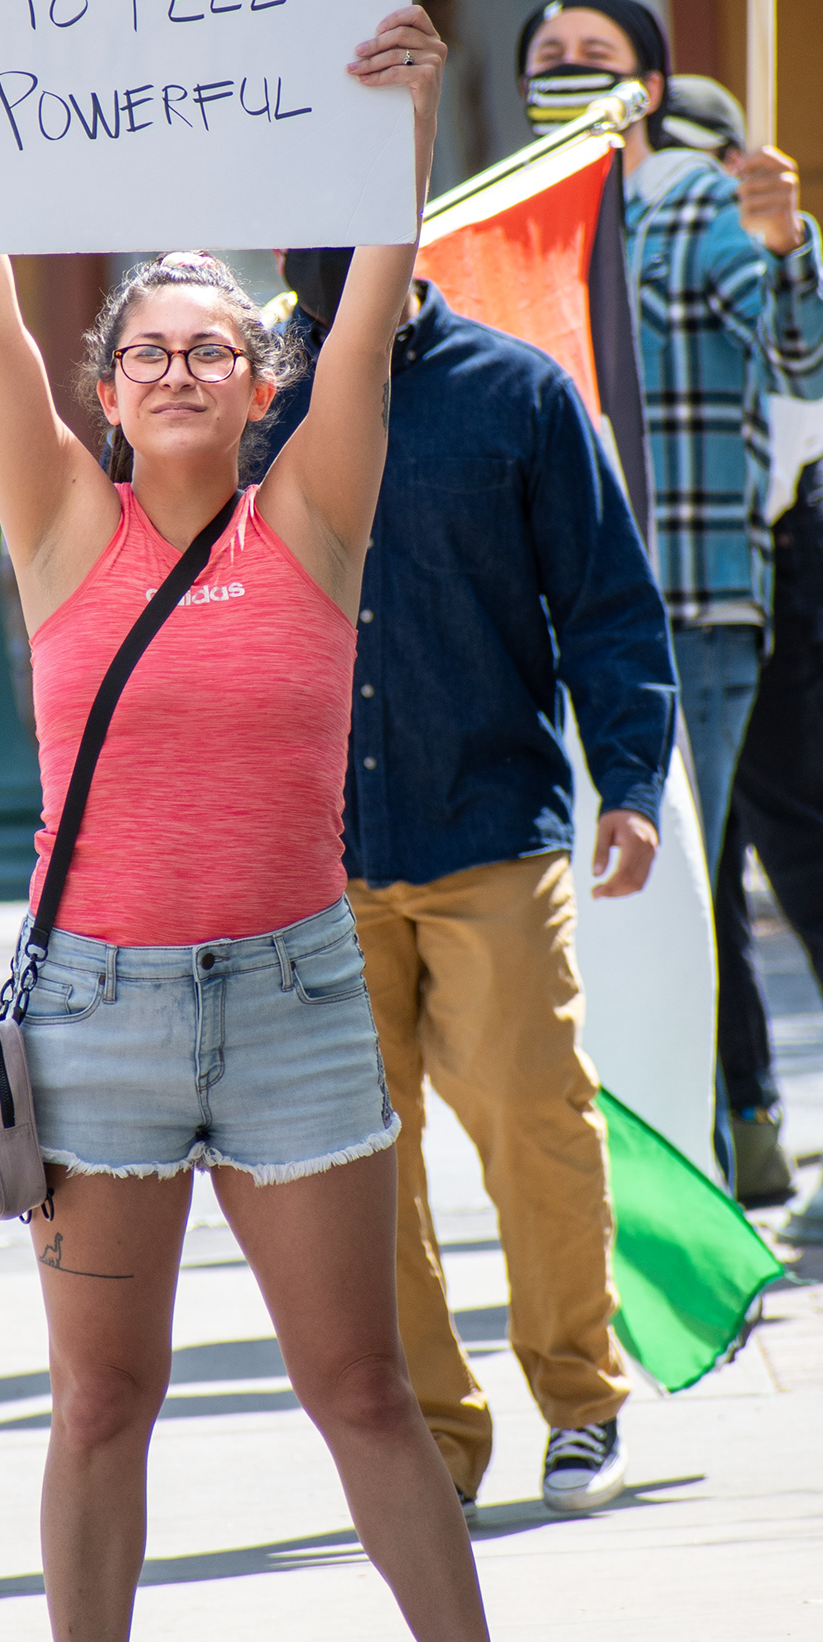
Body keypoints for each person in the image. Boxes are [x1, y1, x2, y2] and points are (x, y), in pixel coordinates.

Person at [0, 0, 627, 1642]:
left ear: (261, 376)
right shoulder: (62, 523)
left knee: (361, 1384)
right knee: (102, 1401)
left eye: (222, 347)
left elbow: (377, 309)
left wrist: (404, 113)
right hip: (102, 1018)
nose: (190, 370)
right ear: (111, 382)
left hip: (294, 997)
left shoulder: (315, 517)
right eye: (156, 349)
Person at [264, 244, 677, 1520]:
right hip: (309, 860)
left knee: (535, 1125)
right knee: (356, 1174)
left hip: (489, 829)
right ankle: (428, 1448)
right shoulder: (246, 399)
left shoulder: (518, 393)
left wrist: (631, 781)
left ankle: (582, 1405)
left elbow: (606, 601)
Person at [519, 0, 823, 1175]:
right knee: (594, 910)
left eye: (592, 56)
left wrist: (786, 249)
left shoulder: (700, 206)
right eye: (547, 55)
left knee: (667, 894)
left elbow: (796, 351)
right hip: (549, 628)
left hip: (686, 613)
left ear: (647, 89)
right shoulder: (513, 228)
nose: (566, 68)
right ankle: (638, 1172)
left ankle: (687, 1178)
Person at [656, 81, 823, 1206]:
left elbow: (808, 397)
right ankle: (748, 1133)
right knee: (698, 890)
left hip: (782, 558)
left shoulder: (754, 257)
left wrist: (774, 244)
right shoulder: (626, 245)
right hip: (682, 586)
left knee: (814, 860)